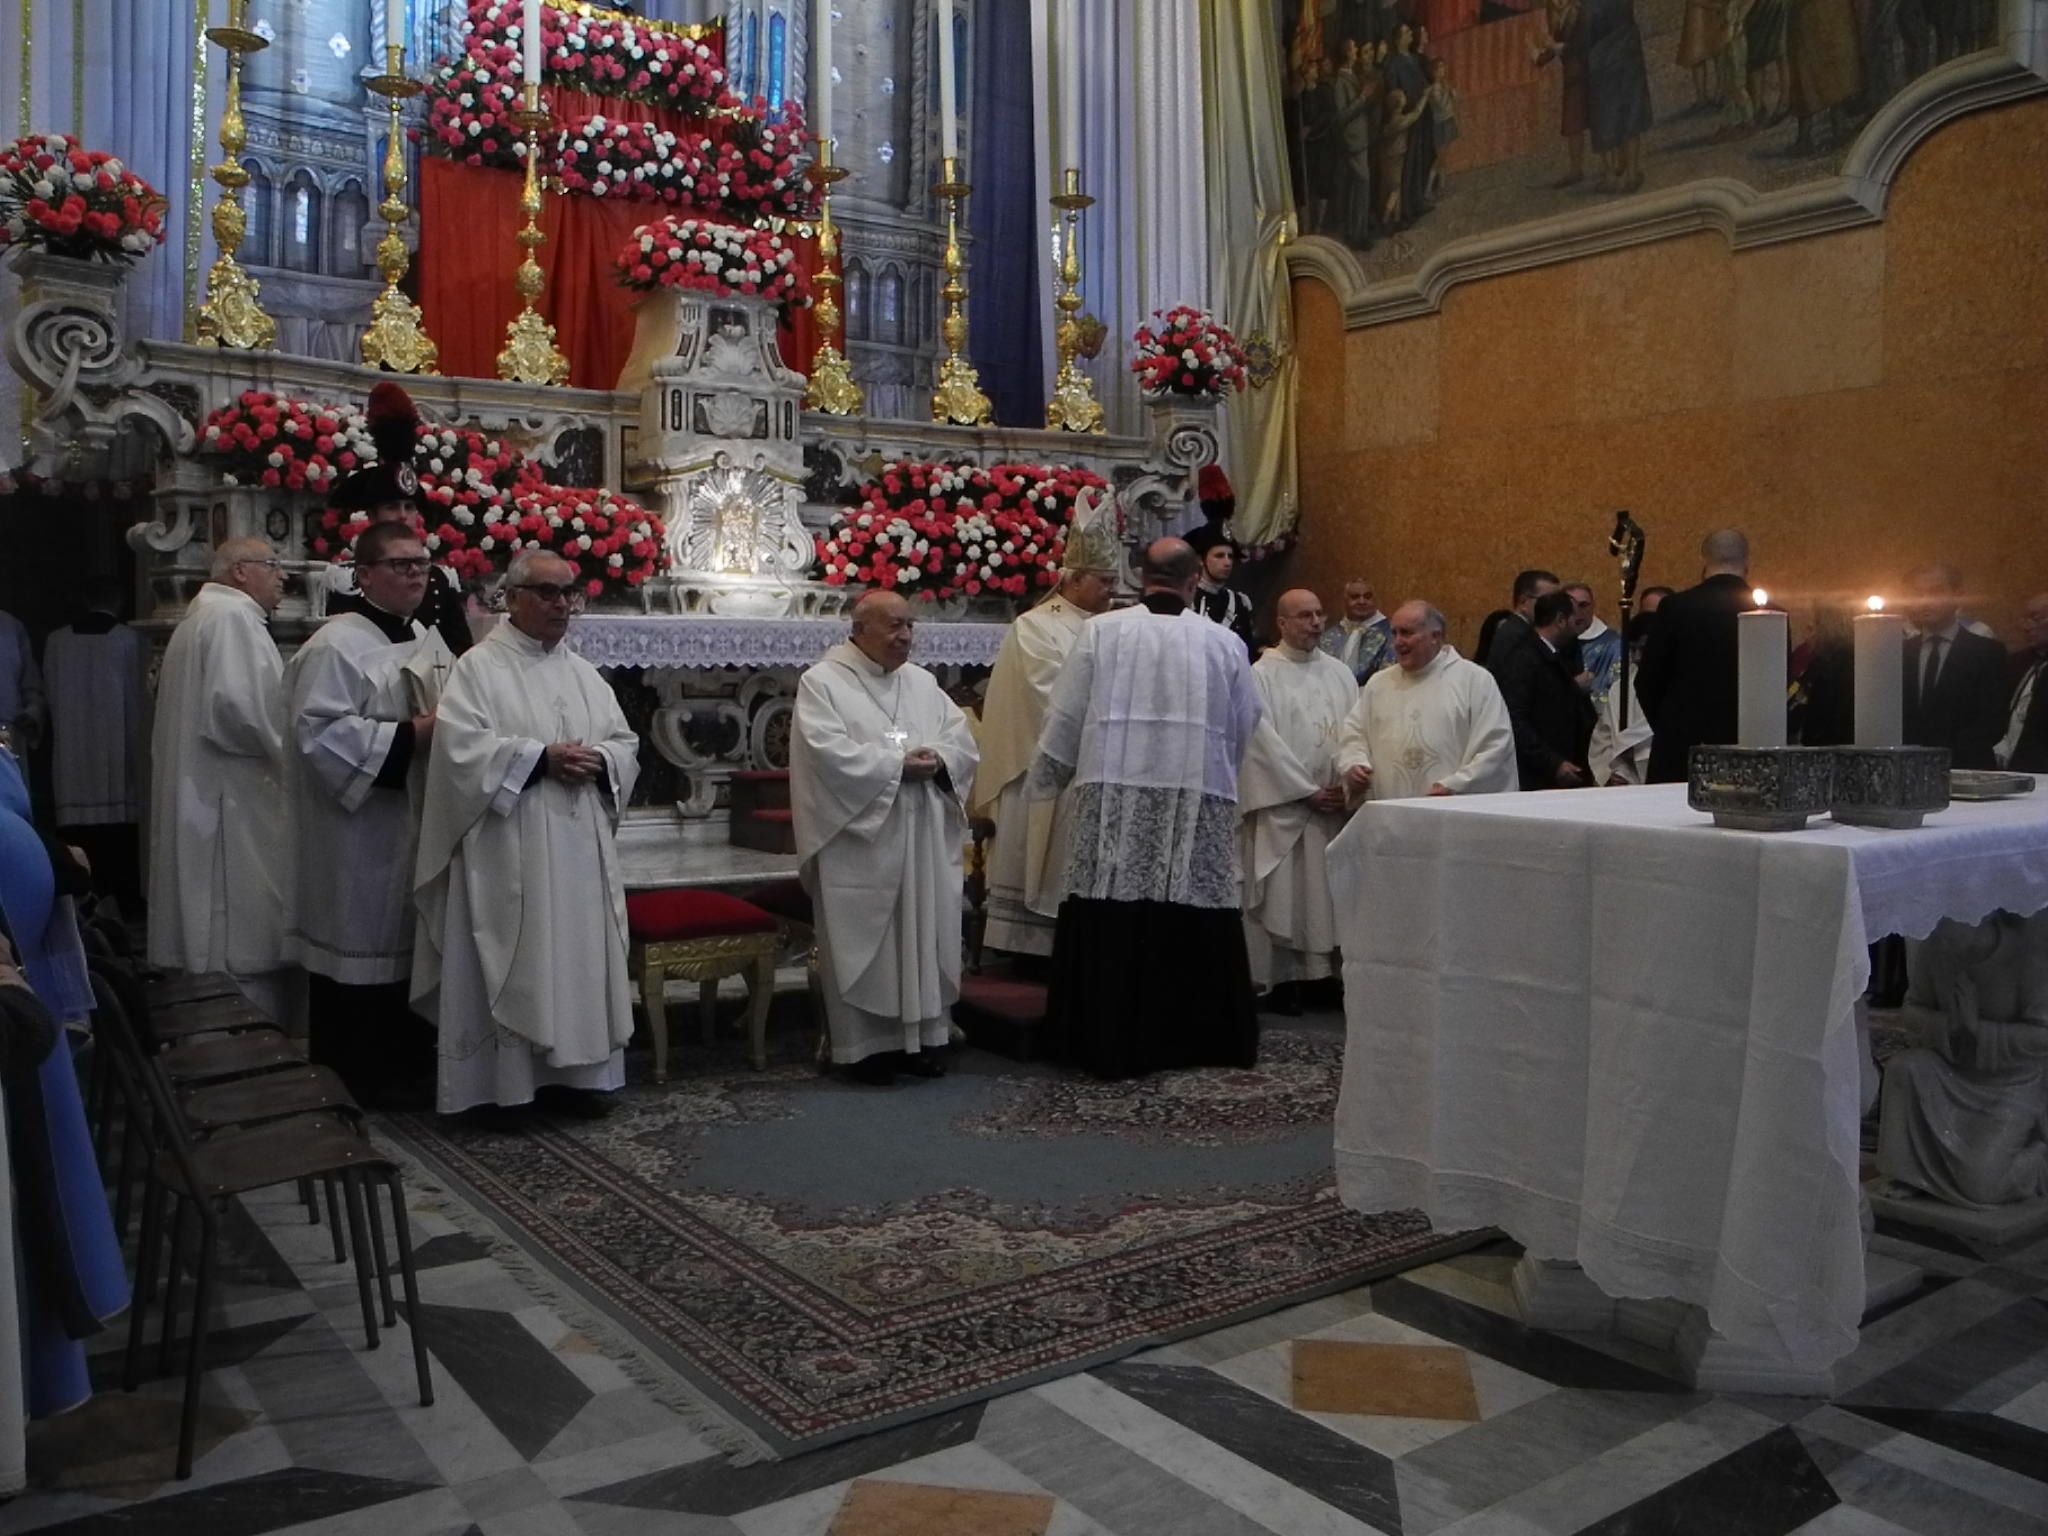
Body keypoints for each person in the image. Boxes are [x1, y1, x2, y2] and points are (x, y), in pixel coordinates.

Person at [412, 550, 643, 1119]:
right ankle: (508, 1090)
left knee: (579, 956)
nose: (561, 604)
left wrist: (604, 761)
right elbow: (458, 751)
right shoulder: (479, 668)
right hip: (511, 845)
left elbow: (625, 742)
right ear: (511, 599)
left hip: (577, 845)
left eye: (568, 593)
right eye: (546, 591)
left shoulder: (582, 671)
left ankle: (580, 1079)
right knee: (520, 949)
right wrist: (539, 760)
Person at [1032, 538, 1263, 1079]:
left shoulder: (1101, 632)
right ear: (1191, 582)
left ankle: (1102, 1037)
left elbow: (1065, 714)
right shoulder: (1222, 642)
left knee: (1111, 904)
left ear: (1140, 578)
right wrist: (1216, 768)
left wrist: (1049, 775)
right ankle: (1197, 1038)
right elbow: (1245, 720)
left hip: (1113, 794)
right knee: (1190, 907)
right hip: (1195, 795)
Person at [791, 590, 979, 1086]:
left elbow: (959, 739)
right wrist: (896, 765)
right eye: (894, 626)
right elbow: (825, 755)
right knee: (868, 941)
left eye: (910, 626)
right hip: (862, 839)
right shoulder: (823, 683)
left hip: (920, 832)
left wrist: (939, 760)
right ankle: (866, 1049)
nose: (905, 636)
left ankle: (922, 1041)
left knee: (924, 931)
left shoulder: (921, 682)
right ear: (859, 629)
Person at [284, 521, 440, 1106]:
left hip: (410, 820)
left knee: (402, 941)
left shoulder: (421, 634)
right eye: (400, 564)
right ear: (364, 574)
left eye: (421, 563)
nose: (414, 573)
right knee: (358, 947)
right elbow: (318, 734)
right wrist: (413, 736)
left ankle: (405, 1068)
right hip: (357, 830)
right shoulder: (335, 644)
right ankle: (354, 1079)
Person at [145, 538, 296, 1018]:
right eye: (273, 565)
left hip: (212, 788)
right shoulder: (231, 619)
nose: (282, 577)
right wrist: (301, 750)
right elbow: (243, 711)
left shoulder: (201, 618)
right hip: (232, 797)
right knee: (234, 922)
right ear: (239, 572)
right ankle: (247, 1044)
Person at [969, 490, 1118, 960]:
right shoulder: (1037, 626)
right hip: (1042, 770)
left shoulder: (1108, 626)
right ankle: (1027, 950)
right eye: (1103, 582)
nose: (1111, 592)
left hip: (1092, 765)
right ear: (1073, 579)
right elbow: (1045, 692)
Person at [1239, 590, 1357, 1011]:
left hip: (1334, 806)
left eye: (1319, 614)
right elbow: (1260, 741)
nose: (1315, 623)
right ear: (1282, 623)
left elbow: (1356, 732)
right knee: (1287, 895)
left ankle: (1324, 976)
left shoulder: (1341, 673)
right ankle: (1285, 979)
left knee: (1326, 893)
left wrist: (1347, 784)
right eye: (1305, 616)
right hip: (1286, 807)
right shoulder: (1260, 675)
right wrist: (1305, 791)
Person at [324, 381, 473, 660]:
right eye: (392, 507)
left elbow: (461, 649)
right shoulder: (347, 580)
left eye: (409, 506)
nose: (403, 515)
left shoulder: (440, 579)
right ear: (372, 515)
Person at [42, 582, 151, 912]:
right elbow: (141, 696)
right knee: (119, 834)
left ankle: (86, 900)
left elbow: (49, 691)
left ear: (84, 598)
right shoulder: (132, 640)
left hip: (74, 747)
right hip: (117, 746)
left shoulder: (57, 641)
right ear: (118, 601)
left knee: (80, 830)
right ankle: (126, 899)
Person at [1338, 601, 1517, 801]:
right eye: (1394, 633)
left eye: (1406, 633)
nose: (1397, 642)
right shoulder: (1379, 683)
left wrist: (1455, 785)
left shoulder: (1474, 681)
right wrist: (1355, 764)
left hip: (1450, 812)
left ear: (1436, 637)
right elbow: (1355, 733)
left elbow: (1495, 745)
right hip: (1391, 814)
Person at [1636, 529, 1756, 783]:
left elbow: (1647, 681)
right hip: (1749, 751)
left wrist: (1672, 725)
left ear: (1705, 559)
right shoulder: (1771, 614)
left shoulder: (1675, 607)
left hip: (1681, 750)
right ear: (1747, 561)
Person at [1902, 563, 2009, 771]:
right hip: (1910, 770)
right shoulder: (1898, 653)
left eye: (1935, 592)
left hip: (1967, 769)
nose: (1925, 602)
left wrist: (1944, 758)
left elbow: (1993, 720)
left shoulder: (1987, 652)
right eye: (1917, 594)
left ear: (1957, 595)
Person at [1496, 590, 1598, 789]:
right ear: (1560, 620)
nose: (1578, 627)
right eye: (1574, 620)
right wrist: (1553, 763)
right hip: (1538, 777)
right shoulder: (1525, 659)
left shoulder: (1550, 655)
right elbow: (1515, 720)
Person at [1187, 466, 1257, 656]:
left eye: (1230, 556)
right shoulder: (1187, 600)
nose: (1227, 562)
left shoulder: (1240, 602)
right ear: (1202, 559)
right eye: (1219, 556)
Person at [2000, 590, 2048, 771]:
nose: (2026, 627)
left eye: (2035, 618)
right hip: (2009, 767)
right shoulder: (2015, 663)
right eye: (2024, 619)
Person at [1482, 568, 1562, 673]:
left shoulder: (1520, 631)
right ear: (1523, 602)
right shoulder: (1517, 637)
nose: (1555, 607)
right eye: (1548, 600)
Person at [1322, 576, 1395, 684]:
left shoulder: (1391, 633)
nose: (1362, 601)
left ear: (1375, 600)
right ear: (1345, 601)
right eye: (1355, 597)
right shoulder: (1329, 636)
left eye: (1367, 596)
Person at [1565, 581, 1623, 704]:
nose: (1577, 611)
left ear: (1593, 606)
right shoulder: (1556, 641)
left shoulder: (1614, 645)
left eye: (1583, 605)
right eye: (1569, 606)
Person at [0, 606, 44, 763]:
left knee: (6, 783)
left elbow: (30, 683)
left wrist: (32, 712)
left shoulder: (10, 626)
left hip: (5, 733)